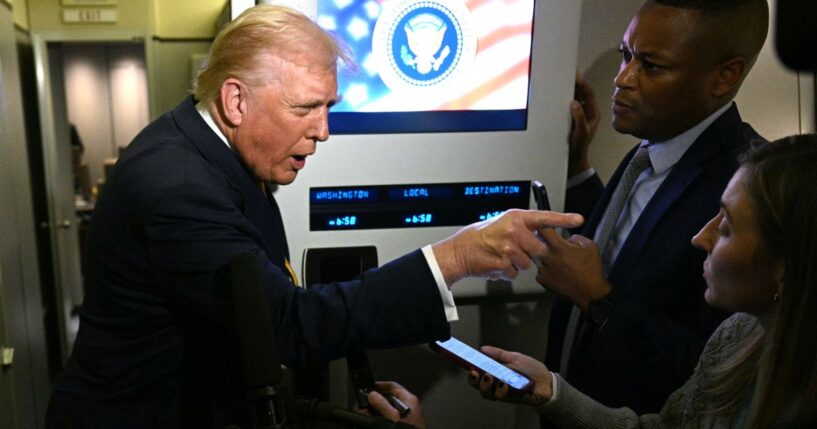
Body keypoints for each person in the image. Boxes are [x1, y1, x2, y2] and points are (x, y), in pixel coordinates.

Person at [44, 5, 582, 427]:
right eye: (306, 109)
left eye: (329, 107)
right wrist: (457, 256)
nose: (323, 130)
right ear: (235, 102)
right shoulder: (180, 188)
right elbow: (284, 325)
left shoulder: (218, 153)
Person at [468, 134, 817, 428]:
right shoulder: (739, 333)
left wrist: (598, 298)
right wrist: (548, 390)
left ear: (786, 263)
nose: (700, 238)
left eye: (725, 227)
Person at [538, 0, 770, 415]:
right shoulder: (650, 151)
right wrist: (577, 171)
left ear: (724, 76)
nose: (622, 79)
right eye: (626, 55)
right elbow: (627, 256)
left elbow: (714, 367)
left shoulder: (749, 190)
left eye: (652, 66)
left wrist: (596, 298)